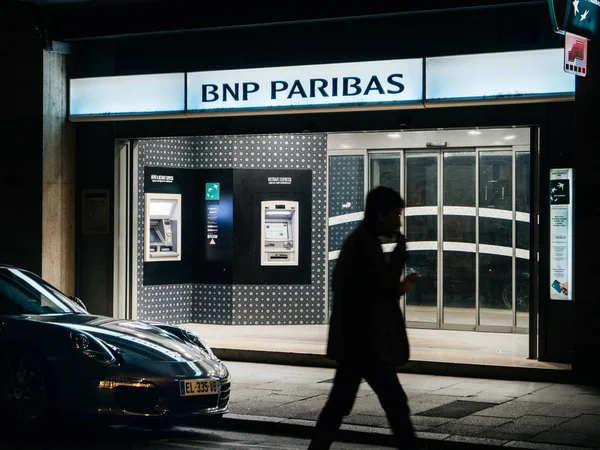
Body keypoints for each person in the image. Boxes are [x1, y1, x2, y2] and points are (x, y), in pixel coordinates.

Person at [308, 186, 419, 450]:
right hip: (365, 344)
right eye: (396, 214)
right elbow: (379, 291)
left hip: (358, 344)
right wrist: (400, 271)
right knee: (394, 404)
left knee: (341, 405)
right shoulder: (363, 245)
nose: (399, 221)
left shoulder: (361, 242)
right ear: (381, 214)